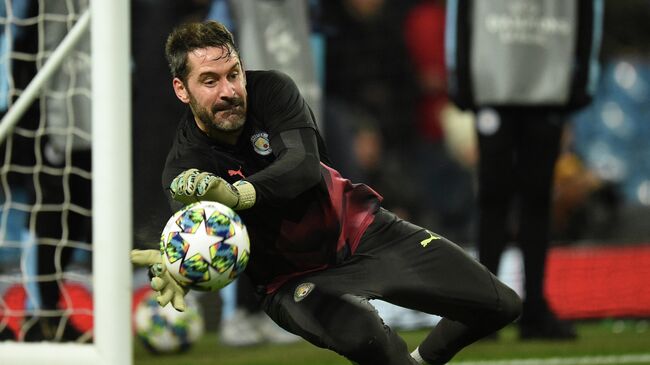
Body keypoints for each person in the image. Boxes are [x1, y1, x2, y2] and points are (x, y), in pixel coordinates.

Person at [131, 20, 521, 365]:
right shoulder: (184, 165)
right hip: (291, 282)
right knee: (373, 343)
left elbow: (301, 166)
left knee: (501, 305)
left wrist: (239, 195)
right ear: (182, 89)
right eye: (210, 81)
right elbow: (198, 235)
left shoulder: (272, 91)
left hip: (362, 232)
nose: (230, 90)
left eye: (234, 73)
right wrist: (182, 266)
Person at [445, 0, 604, 340]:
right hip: (499, 82)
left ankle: (530, 309)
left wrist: (582, 77)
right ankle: (489, 308)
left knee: (533, 198)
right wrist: (460, 75)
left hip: (544, 82)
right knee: (495, 197)